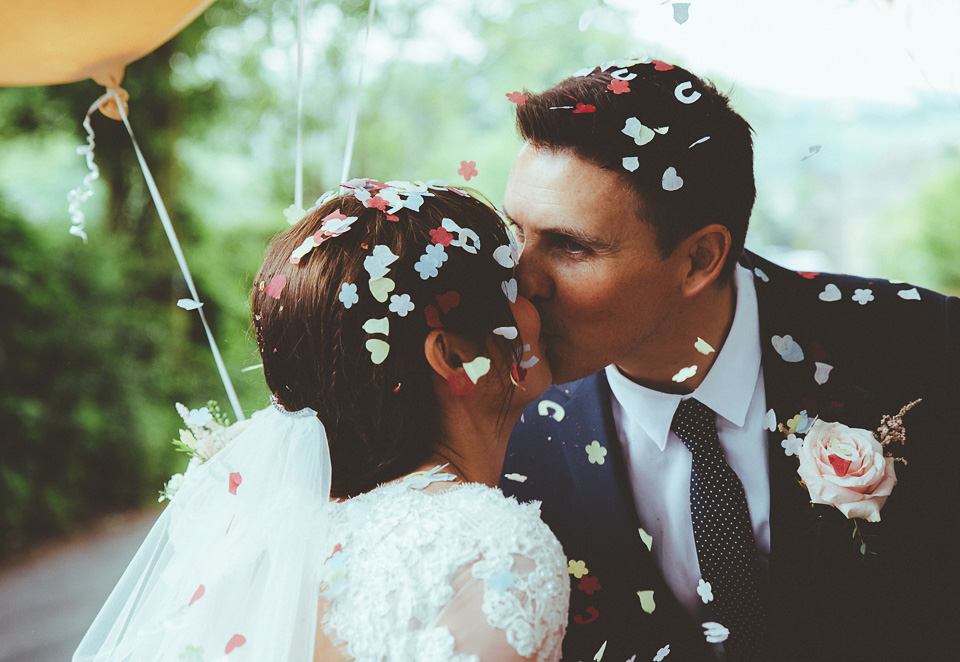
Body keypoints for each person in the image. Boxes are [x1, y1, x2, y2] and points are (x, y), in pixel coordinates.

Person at [500, 57, 960, 662]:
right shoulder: (499, 425)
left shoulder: (924, 346)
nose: (519, 280)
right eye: (516, 233)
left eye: (568, 247)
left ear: (699, 259)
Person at [73, 180, 569, 661]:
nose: (539, 297)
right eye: (513, 287)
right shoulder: (493, 551)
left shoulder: (272, 534)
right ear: (454, 357)